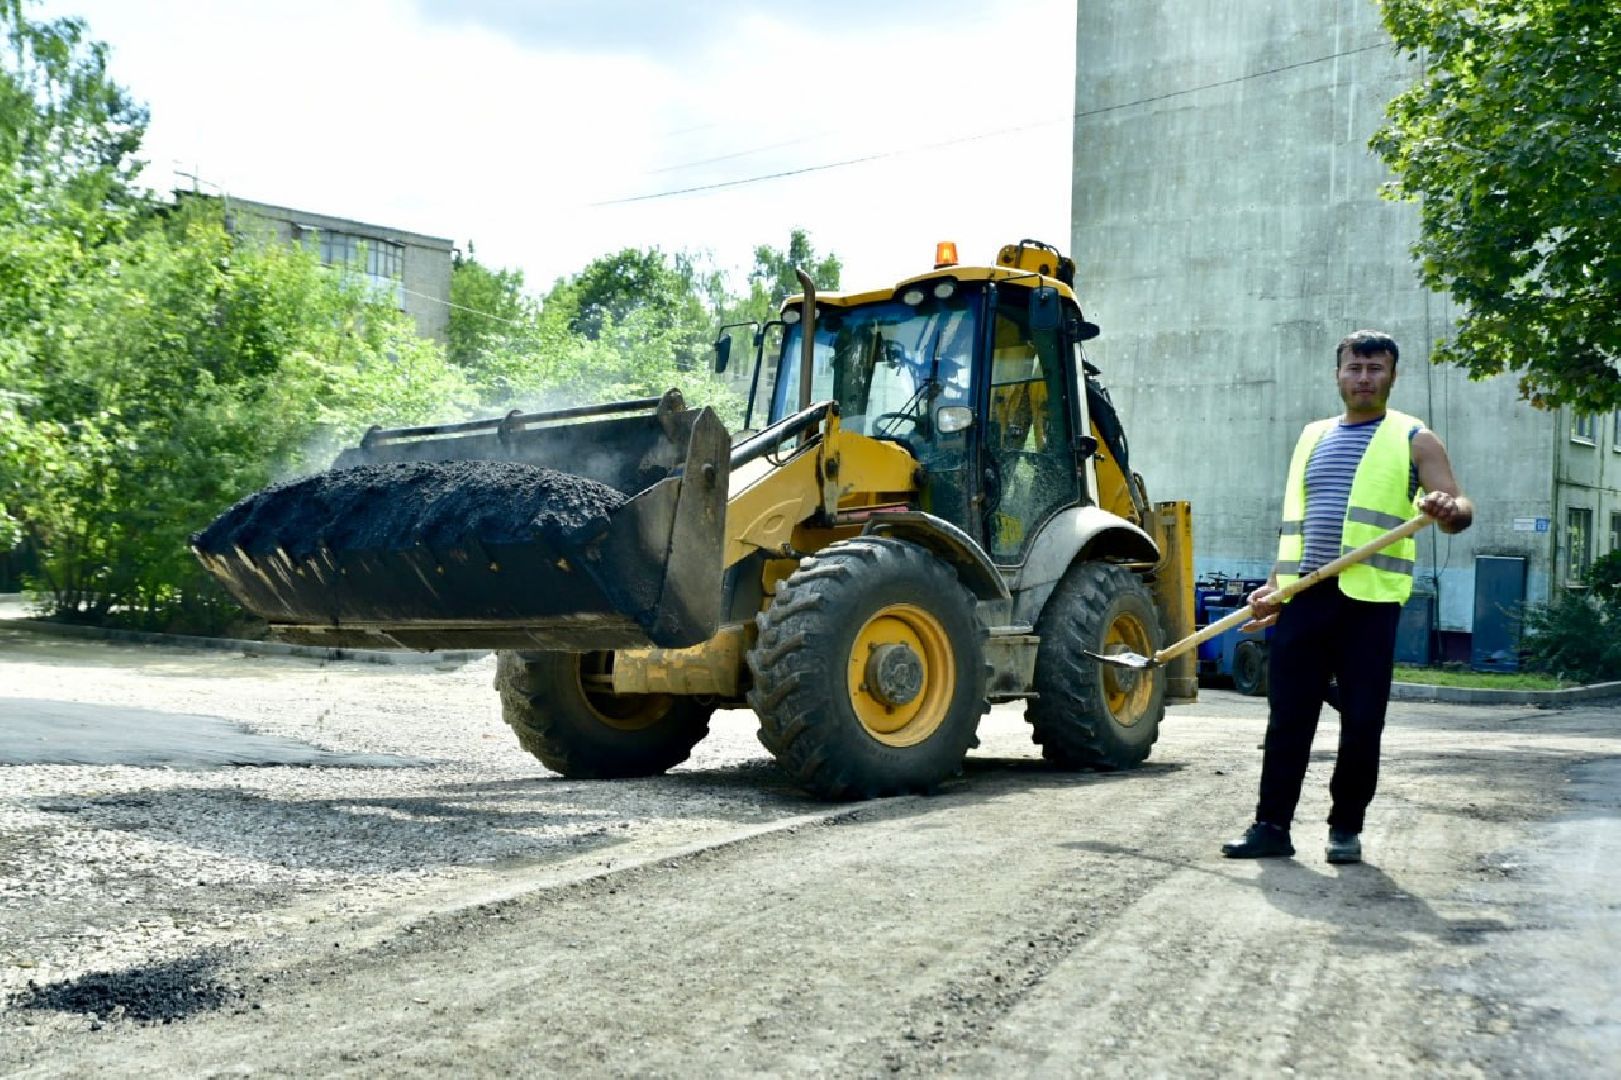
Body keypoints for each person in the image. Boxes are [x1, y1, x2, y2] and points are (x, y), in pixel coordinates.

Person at [1221, 330, 1474, 865]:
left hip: (1369, 604)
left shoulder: (1414, 437)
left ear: (1392, 376)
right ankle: (1271, 826)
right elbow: (1298, 527)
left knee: (1362, 720)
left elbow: (1457, 503)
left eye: (1375, 369)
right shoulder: (1313, 436)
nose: (1364, 378)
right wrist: (1274, 586)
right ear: (1338, 374)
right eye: (1354, 368)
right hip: (1304, 598)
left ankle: (1345, 829)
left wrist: (1448, 508)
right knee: (1288, 716)